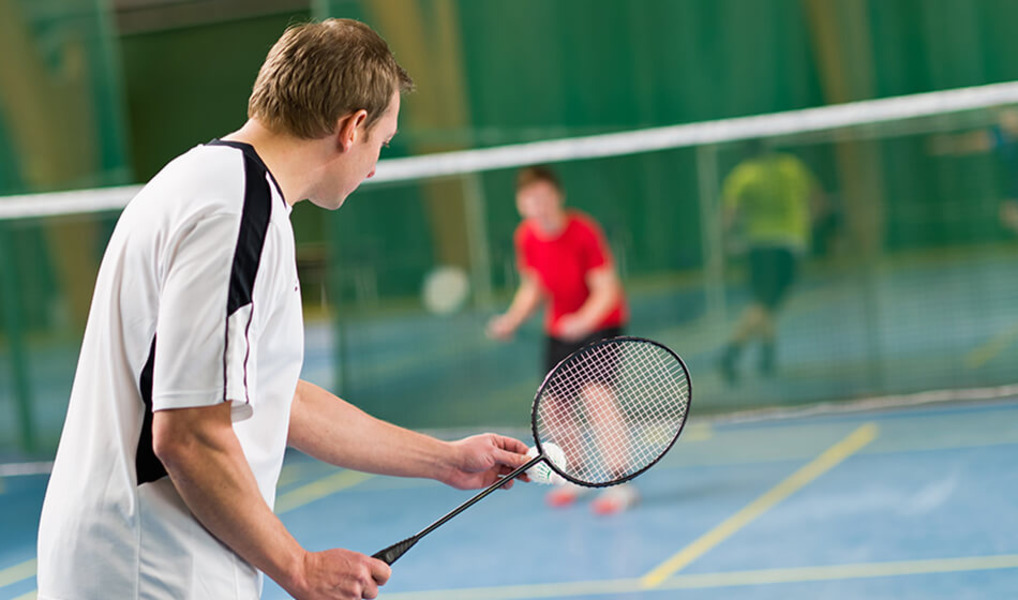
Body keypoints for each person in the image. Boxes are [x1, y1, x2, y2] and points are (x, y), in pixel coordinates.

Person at [36, 19, 530, 600]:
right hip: (154, 566)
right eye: (382, 144)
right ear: (352, 128)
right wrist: (298, 567)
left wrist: (447, 460)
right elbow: (188, 432)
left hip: (135, 553)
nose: (375, 166)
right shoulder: (234, 211)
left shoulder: (211, 185)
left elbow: (274, 394)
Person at [487, 165, 637, 515]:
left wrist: (583, 320)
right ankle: (577, 475)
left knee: (597, 396)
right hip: (559, 326)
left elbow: (607, 288)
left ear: (558, 196)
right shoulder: (526, 236)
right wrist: (511, 319)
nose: (537, 204)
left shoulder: (584, 230)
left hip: (601, 322)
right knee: (556, 405)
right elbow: (534, 285)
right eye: (529, 199)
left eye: (543, 196)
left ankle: (619, 482)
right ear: (520, 203)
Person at [718, 140, 824, 384]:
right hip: (787, 244)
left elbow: (729, 213)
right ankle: (732, 351)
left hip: (756, 248)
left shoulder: (742, 174)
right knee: (765, 304)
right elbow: (818, 200)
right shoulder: (790, 167)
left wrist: (725, 244)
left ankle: (767, 356)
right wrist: (806, 224)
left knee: (764, 302)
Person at [928, 106, 1018, 235]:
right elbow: (977, 142)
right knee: (1009, 214)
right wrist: (949, 144)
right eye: (1003, 118)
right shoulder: (1003, 137)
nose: (1005, 121)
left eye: (1010, 116)